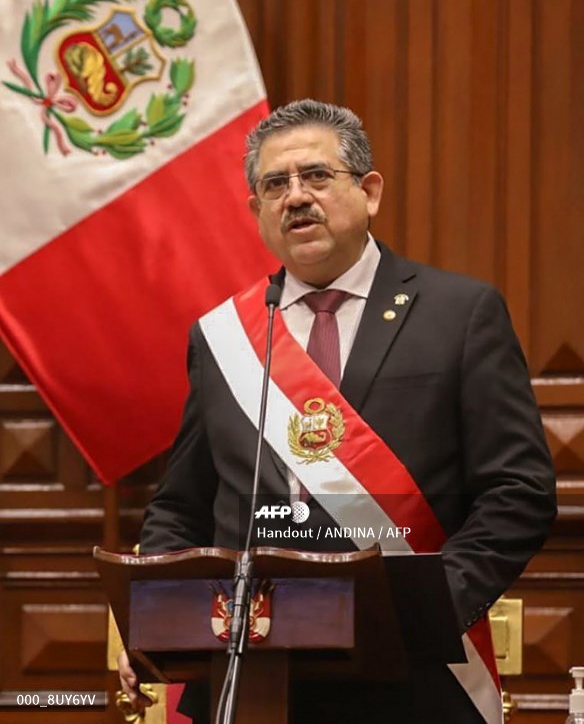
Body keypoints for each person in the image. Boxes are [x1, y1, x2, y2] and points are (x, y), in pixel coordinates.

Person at [118, 99, 556, 723]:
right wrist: (154, 612)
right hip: (254, 675)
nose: (296, 197)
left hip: (413, 673)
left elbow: (519, 493)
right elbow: (182, 504)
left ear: (370, 191)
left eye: (317, 176)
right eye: (275, 184)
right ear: (257, 212)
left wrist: (427, 610)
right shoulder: (224, 337)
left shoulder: (459, 315)